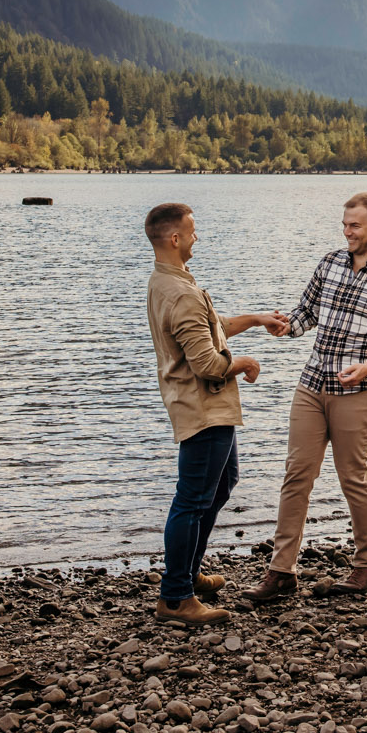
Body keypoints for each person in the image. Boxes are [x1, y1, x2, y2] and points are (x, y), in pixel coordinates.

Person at [246, 191, 367, 603]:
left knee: (352, 477)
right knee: (296, 475)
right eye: (344, 224)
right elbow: (308, 312)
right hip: (312, 384)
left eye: (355, 225)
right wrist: (286, 326)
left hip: (359, 391)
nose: (347, 232)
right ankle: (281, 571)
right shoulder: (330, 262)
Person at [144, 201, 287, 625]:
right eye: (192, 230)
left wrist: (257, 319)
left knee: (222, 484)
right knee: (192, 500)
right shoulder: (182, 293)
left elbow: (213, 325)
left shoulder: (165, 282)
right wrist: (244, 364)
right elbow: (207, 363)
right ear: (175, 238)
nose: (196, 237)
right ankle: (176, 598)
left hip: (204, 408)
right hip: (203, 409)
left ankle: (187, 572)